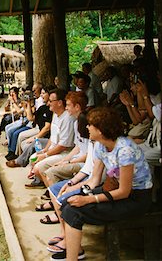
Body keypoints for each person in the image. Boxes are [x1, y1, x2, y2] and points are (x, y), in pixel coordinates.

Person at [51, 107, 153, 261]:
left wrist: (87, 199)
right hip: (115, 190)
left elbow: (124, 191)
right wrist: (75, 189)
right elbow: (94, 180)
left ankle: (72, 257)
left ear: (101, 129)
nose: (87, 127)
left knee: (75, 211)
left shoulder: (125, 150)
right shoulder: (100, 145)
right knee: (67, 203)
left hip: (135, 198)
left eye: (90, 125)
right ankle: (75, 250)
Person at [26, 89, 76, 188]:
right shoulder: (55, 115)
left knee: (38, 167)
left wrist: (45, 155)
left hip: (64, 153)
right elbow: (52, 138)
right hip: (54, 150)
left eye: (50, 101)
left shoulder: (68, 119)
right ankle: (42, 182)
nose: (48, 104)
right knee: (33, 158)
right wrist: (44, 150)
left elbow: (63, 146)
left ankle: (52, 189)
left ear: (59, 103)